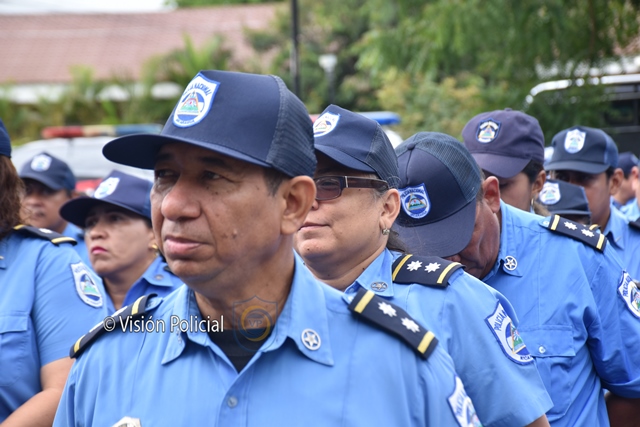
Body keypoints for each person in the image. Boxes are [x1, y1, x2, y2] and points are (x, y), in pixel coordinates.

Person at [54, 70, 476, 427]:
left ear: (292, 204)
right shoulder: (108, 364)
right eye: (165, 175)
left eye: (213, 176)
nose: (173, 205)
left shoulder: (398, 367)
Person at [295, 105, 551, 427]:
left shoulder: (451, 302)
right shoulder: (269, 303)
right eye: (298, 186)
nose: (309, 201)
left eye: (329, 184)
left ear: (387, 208)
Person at [393, 131, 640, 427]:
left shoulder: (576, 259)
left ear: (491, 196)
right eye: (427, 248)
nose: (449, 260)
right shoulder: (386, 276)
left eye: (459, 236)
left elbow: (635, 387)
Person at [0, 119, 107, 424]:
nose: (36, 200)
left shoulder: (50, 261)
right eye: (30, 190)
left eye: (46, 191)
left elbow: (68, 389)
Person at [59, 170, 183, 313]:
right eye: (91, 223)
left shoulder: (186, 293)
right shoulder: (69, 293)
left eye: (115, 219)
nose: (95, 233)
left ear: (154, 233)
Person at [545, 126, 640, 278]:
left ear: (614, 182)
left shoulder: (636, 243)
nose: (571, 190)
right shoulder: (535, 237)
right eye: (562, 178)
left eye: (583, 178)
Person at [461, 109, 548, 215]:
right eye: (473, 185)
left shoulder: (554, 226)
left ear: (537, 184)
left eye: (501, 185)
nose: (484, 198)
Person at [19, 151, 90, 265]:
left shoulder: (91, 250)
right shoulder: (7, 245)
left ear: (72, 198)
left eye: (47, 192)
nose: (33, 201)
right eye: (26, 190)